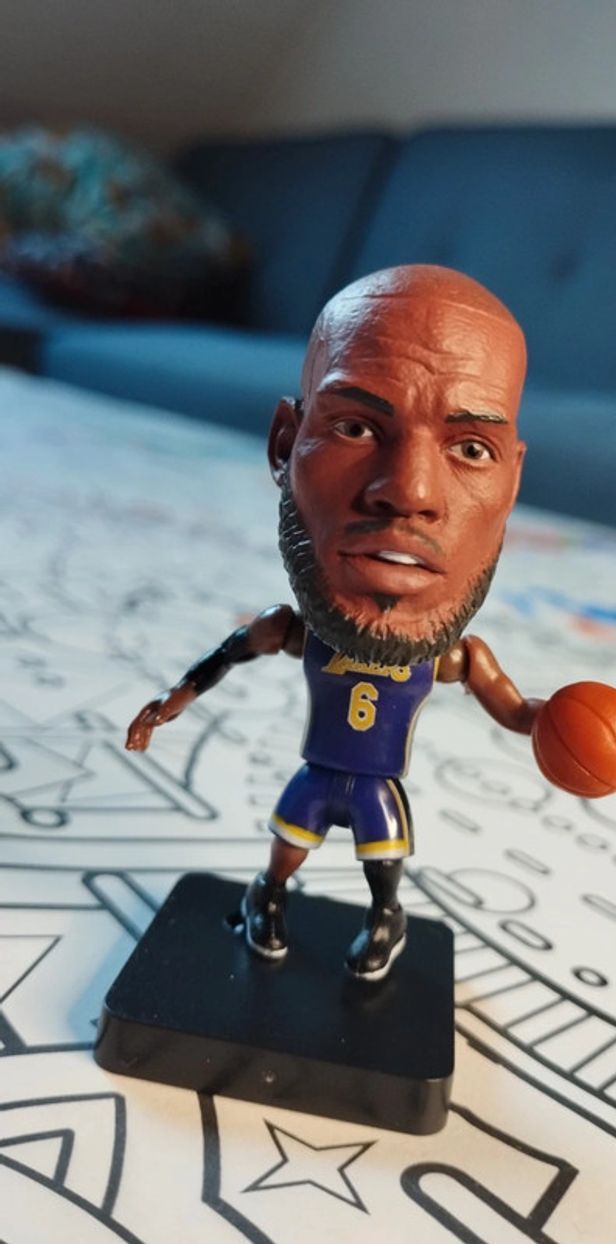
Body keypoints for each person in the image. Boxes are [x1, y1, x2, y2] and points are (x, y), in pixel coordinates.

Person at [126, 264, 543, 981]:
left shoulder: (452, 659)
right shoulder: (293, 631)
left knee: (385, 863)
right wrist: (171, 702)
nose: (409, 492)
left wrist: (560, 725)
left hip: (377, 785)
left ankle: (386, 918)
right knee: (287, 846)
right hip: (319, 774)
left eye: (472, 449)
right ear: (284, 445)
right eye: (355, 427)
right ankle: (268, 896)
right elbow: (226, 656)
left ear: (512, 485)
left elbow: (518, 712)